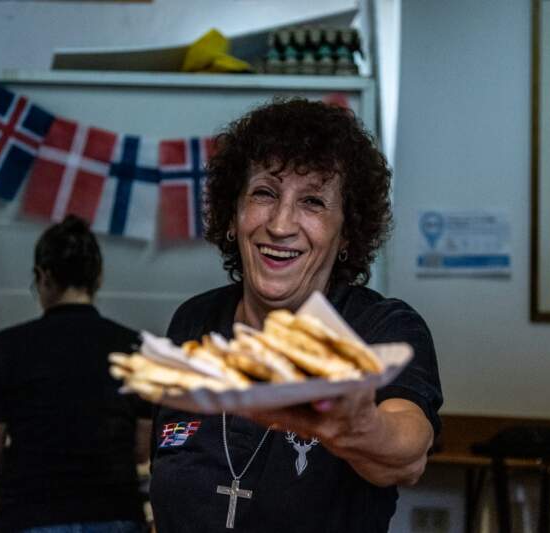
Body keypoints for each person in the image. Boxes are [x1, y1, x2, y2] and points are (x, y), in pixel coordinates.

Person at [149, 98, 443, 532]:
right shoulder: (193, 321)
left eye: (313, 202)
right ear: (233, 215)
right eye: (265, 193)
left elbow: (407, 453)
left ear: (347, 232)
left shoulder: (379, 329)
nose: (282, 224)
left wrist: (361, 426)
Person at [0, 215, 149, 533]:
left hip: (31, 514)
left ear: (43, 276)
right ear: (99, 277)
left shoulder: (7, 347)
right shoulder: (135, 347)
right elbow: (142, 448)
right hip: (117, 514)